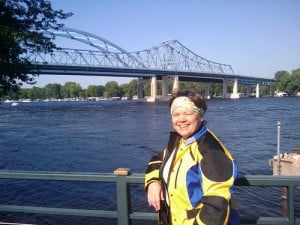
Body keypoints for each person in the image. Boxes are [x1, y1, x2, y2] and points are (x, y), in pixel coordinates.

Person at [145, 89, 240, 225]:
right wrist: (153, 182)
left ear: (200, 116)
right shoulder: (180, 142)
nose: (181, 119)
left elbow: (217, 207)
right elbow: (158, 159)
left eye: (188, 113)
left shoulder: (210, 150)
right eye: (176, 114)